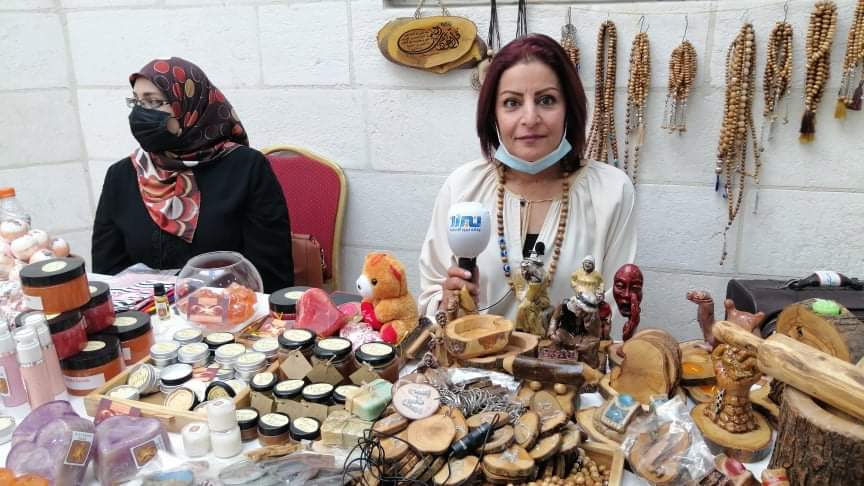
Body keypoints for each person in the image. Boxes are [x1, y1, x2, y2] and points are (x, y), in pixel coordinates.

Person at [418, 34, 637, 326]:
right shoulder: (463, 188)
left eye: (547, 100)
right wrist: (447, 303)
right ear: (492, 115)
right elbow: (430, 300)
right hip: (478, 355)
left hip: (575, 356)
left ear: (569, 109)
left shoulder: (611, 192)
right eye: (512, 102)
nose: (530, 118)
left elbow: (619, 310)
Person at [92, 57, 293, 292]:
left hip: (231, 309)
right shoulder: (122, 175)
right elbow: (107, 273)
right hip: (143, 312)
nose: (140, 114)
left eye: (153, 102)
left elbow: (270, 273)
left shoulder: (245, 167)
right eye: (136, 102)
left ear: (189, 105)